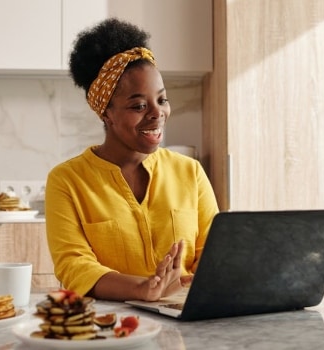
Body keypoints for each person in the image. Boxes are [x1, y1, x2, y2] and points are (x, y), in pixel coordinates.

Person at [44, 18, 219, 302]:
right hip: (113, 328)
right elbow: (73, 266)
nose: (156, 113)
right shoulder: (67, 181)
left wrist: (193, 282)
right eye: (138, 105)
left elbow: (213, 253)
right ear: (106, 113)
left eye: (161, 100)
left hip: (186, 320)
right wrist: (142, 289)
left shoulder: (191, 172)